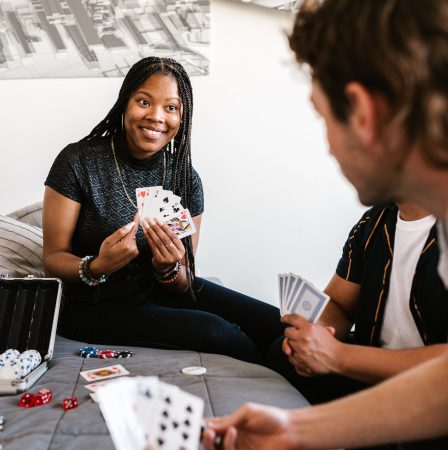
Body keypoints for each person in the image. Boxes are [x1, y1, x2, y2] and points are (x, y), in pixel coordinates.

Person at [202, 0, 448, 448]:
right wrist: (294, 431)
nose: (330, 149)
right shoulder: (382, 223)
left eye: (323, 117)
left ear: (361, 112)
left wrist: (338, 356)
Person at [42, 56, 284, 365]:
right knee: (223, 334)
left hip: (160, 292)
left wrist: (168, 269)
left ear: (182, 117)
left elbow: (184, 280)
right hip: (94, 307)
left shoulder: (185, 178)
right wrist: (97, 266)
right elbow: (52, 258)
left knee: (280, 325)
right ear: (125, 104)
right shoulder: (77, 161)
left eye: (171, 108)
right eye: (144, 101)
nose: (156, 117)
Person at [267, 201, 448, 404]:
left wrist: (337, 355)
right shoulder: (375, 220)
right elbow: (339, 305)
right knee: (283, 348)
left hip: (429, 396)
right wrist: (317, 332)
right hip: (367, 366)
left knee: (276, 353)